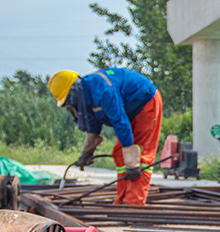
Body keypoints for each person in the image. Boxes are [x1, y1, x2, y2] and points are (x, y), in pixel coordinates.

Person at [47, 68, 163, 206]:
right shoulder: (86, 97)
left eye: (68, 103)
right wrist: (87, 152)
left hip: (146, 102)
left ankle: (133, 203)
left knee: (140, 155)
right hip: (130, 111)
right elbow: (93, 126)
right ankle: (122, 199)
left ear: (73, 93)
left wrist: (132, 161)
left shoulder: (103, 91)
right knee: (119, 153)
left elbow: (120, 122)